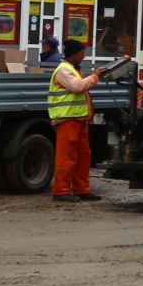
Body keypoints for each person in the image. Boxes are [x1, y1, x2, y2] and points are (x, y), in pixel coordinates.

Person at [48, 39, 103, 204]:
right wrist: (95, 76)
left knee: (83, 156)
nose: (84, 57)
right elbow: (77, 87)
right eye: (82, 53)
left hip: (78, 119)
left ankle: (82, 190)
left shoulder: (72, 69)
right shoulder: (64, 70)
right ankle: (61, 191)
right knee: (67, 157)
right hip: (67, 120)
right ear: (74, 54)